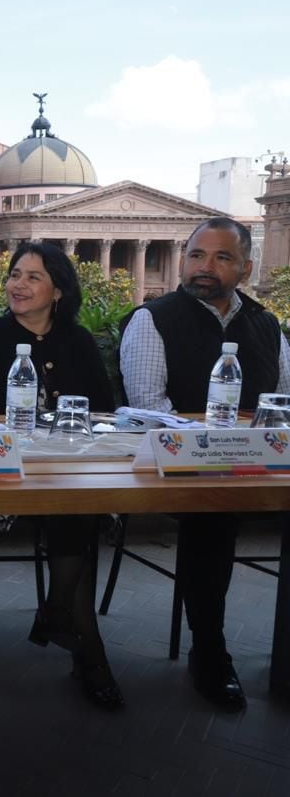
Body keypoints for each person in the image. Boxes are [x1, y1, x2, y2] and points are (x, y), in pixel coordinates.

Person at [120, 216, 290, 710]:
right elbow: (152, 409)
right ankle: (211, 650)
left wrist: (252, 451)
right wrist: (220, 454)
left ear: (246, 267)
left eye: (221, 258)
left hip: (257, 462)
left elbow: (280, 404)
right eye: (196, 256)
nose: (205, 268)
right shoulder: (153, 319)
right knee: (213, 513)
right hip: (178, 464)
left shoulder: (265, 324)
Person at [0, 242, 123, 709]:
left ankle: (61, 616)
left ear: (58, 291)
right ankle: (81, 642)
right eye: (15, 274)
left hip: (68, 463)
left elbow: (103, 409)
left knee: (76, 501)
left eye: (32, 277)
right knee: (76, 509)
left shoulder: (79, 341)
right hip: (3, 472)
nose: (18, 284)